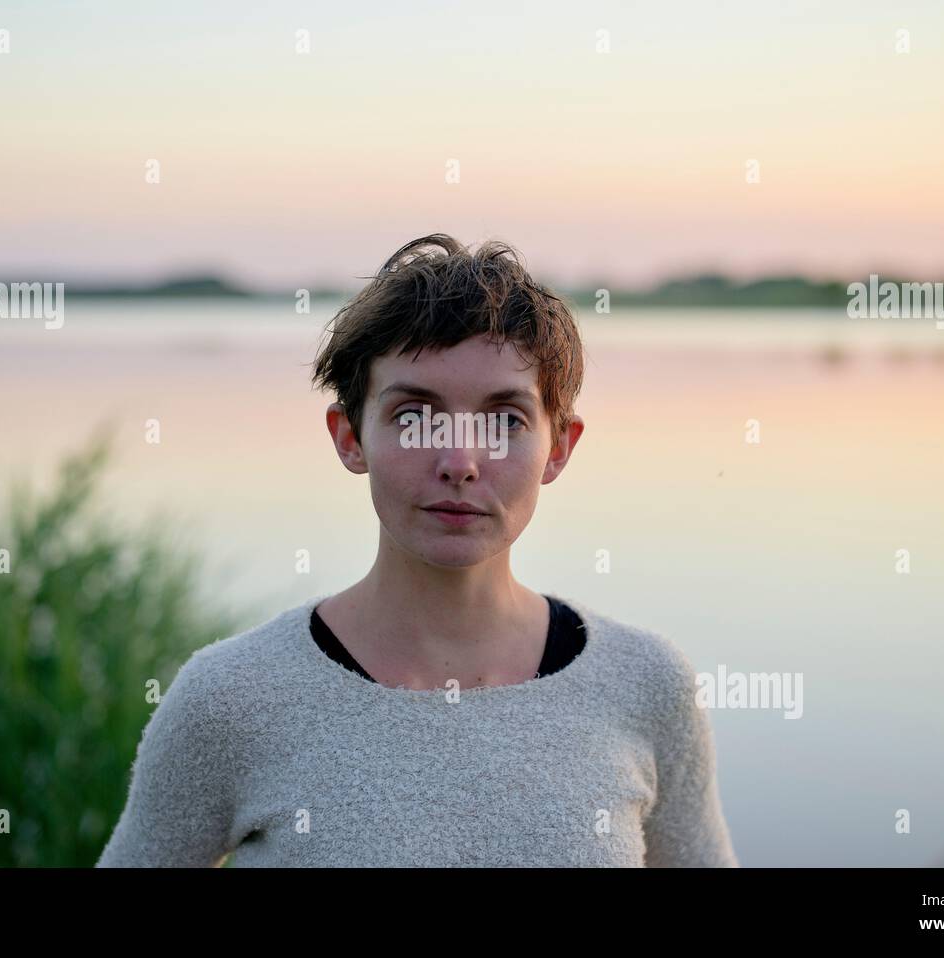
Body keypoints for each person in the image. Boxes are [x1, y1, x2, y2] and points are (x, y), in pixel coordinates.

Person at [97, 233, 740, 867]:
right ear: (350, 436)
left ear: (560, 447)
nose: (460, 462)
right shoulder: (231, 699)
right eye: (415, 416)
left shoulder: (647, 684)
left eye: (503, 420)